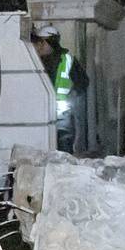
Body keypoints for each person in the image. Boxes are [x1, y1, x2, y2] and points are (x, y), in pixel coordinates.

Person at [31, 24, 86, 153]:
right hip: (41, 115)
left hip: (61, 116)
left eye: (40, 42)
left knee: (63, 147)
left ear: (46, 42)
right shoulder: (33, 60)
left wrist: (72, 96)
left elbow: (82, 83)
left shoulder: (68, 60)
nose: (37, 46)